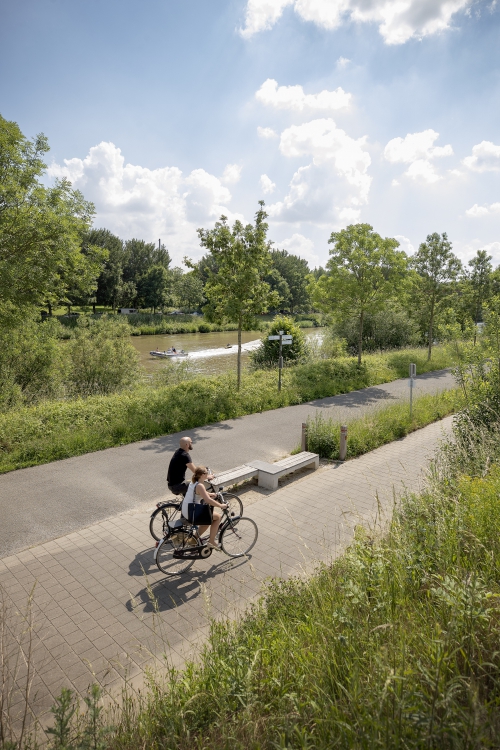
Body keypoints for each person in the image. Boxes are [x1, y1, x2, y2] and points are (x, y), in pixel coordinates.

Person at [181, 466, 228, 550]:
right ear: (202, 475)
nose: (208, 474)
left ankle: (193, 540)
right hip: (192, 512)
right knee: (218, 517)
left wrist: (210, 494)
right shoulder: (200, 486)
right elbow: (208, 500)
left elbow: (201, 493)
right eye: (206, 473)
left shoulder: (194, 482)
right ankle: (212, 541)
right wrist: (221, 505)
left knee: (207, 522)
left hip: (186, 510)